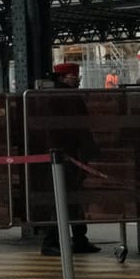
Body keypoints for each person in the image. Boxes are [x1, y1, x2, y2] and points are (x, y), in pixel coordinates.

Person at [40, 63, 99, 256]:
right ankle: (55, 240)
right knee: (66, 199)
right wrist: (89, 152)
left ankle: (76, 239)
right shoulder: (69, 97)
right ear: (64, 77)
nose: (78, 79)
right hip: (67, 155)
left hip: (60, 155)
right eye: (75, 76)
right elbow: (81, 127)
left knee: (69, 198)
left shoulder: (49, 96)